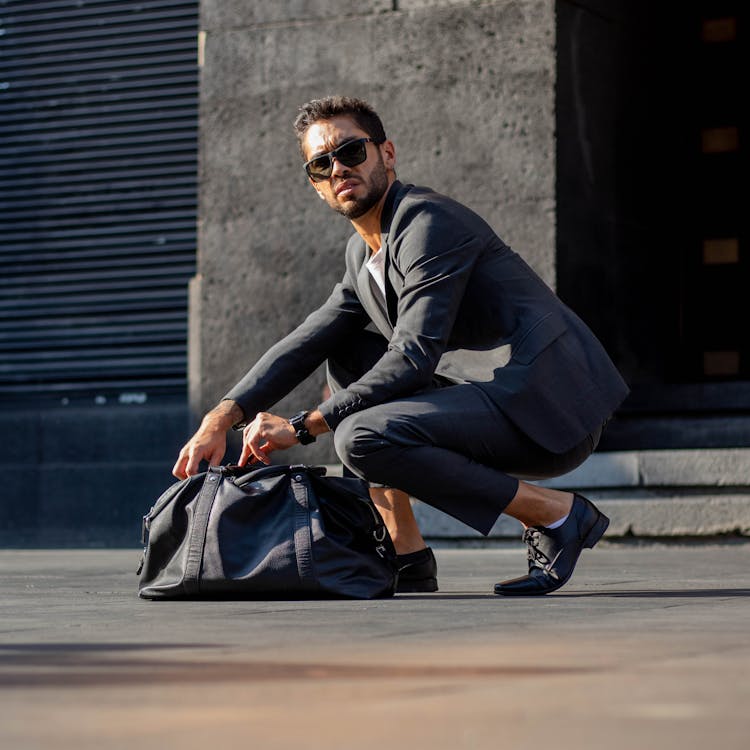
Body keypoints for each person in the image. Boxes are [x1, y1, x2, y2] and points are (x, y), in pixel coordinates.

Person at [172, 95, 629, 596]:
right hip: (488, 399)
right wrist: (220, 419)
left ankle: (556, 514)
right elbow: (305, 341)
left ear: (386, 153)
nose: (338, 169)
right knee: (345, 354)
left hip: (548, 401)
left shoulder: (427, 221)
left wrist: (303, 428)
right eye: (321, 164)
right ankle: (406, 554)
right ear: (316, 186)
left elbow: (413, 357)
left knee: (360, 436)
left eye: (351, 152)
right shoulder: (363, 252)